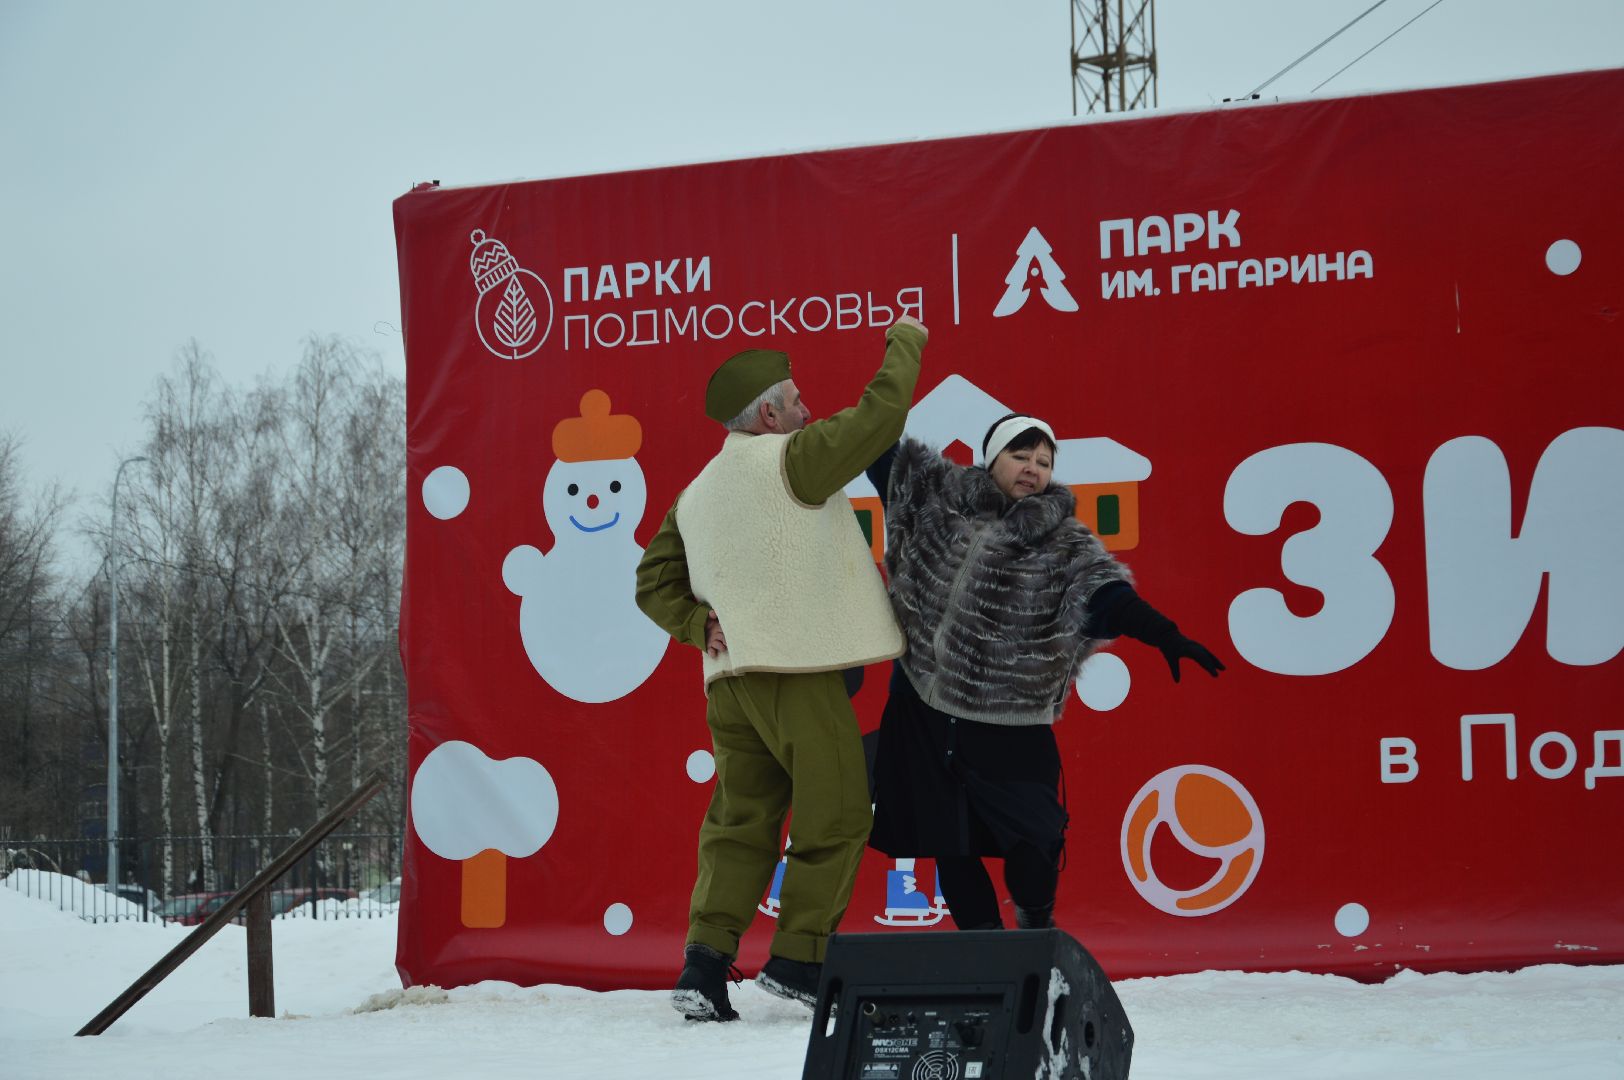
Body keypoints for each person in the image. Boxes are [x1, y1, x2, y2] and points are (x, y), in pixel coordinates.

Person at [635, 315, 928, 1021]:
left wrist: (692, 623)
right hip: (795, 672)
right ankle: (799, 961)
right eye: (796, 400)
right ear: (769, 413)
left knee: (740, 822)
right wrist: (907, 340)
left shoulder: (695, 494)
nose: (808, 410)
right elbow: (882, 414)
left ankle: (704, 966)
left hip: (730, 684)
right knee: (838, 812)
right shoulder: (793, 458)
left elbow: (651, 582)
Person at [865, 413, 1223, 931]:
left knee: (1033, 843)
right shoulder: (935, 501)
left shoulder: (1063, 543)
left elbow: (1106, 594)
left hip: (1007, 717)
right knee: (949, 842)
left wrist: (1164, 633)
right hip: (920, 709)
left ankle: (1035, 922)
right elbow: (878, 450)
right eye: (1020, 455)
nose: (1032, 468)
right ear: (992, 460)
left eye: (1043, 461)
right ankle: (985, 962)